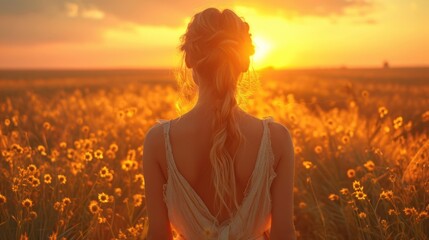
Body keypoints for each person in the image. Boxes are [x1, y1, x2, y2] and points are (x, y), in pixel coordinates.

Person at [143, 8, 296, 240]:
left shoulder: (157, 142)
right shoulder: (277, 139)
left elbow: (157, 236)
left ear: (189, 59)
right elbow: (284, 235)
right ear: (244, 62)